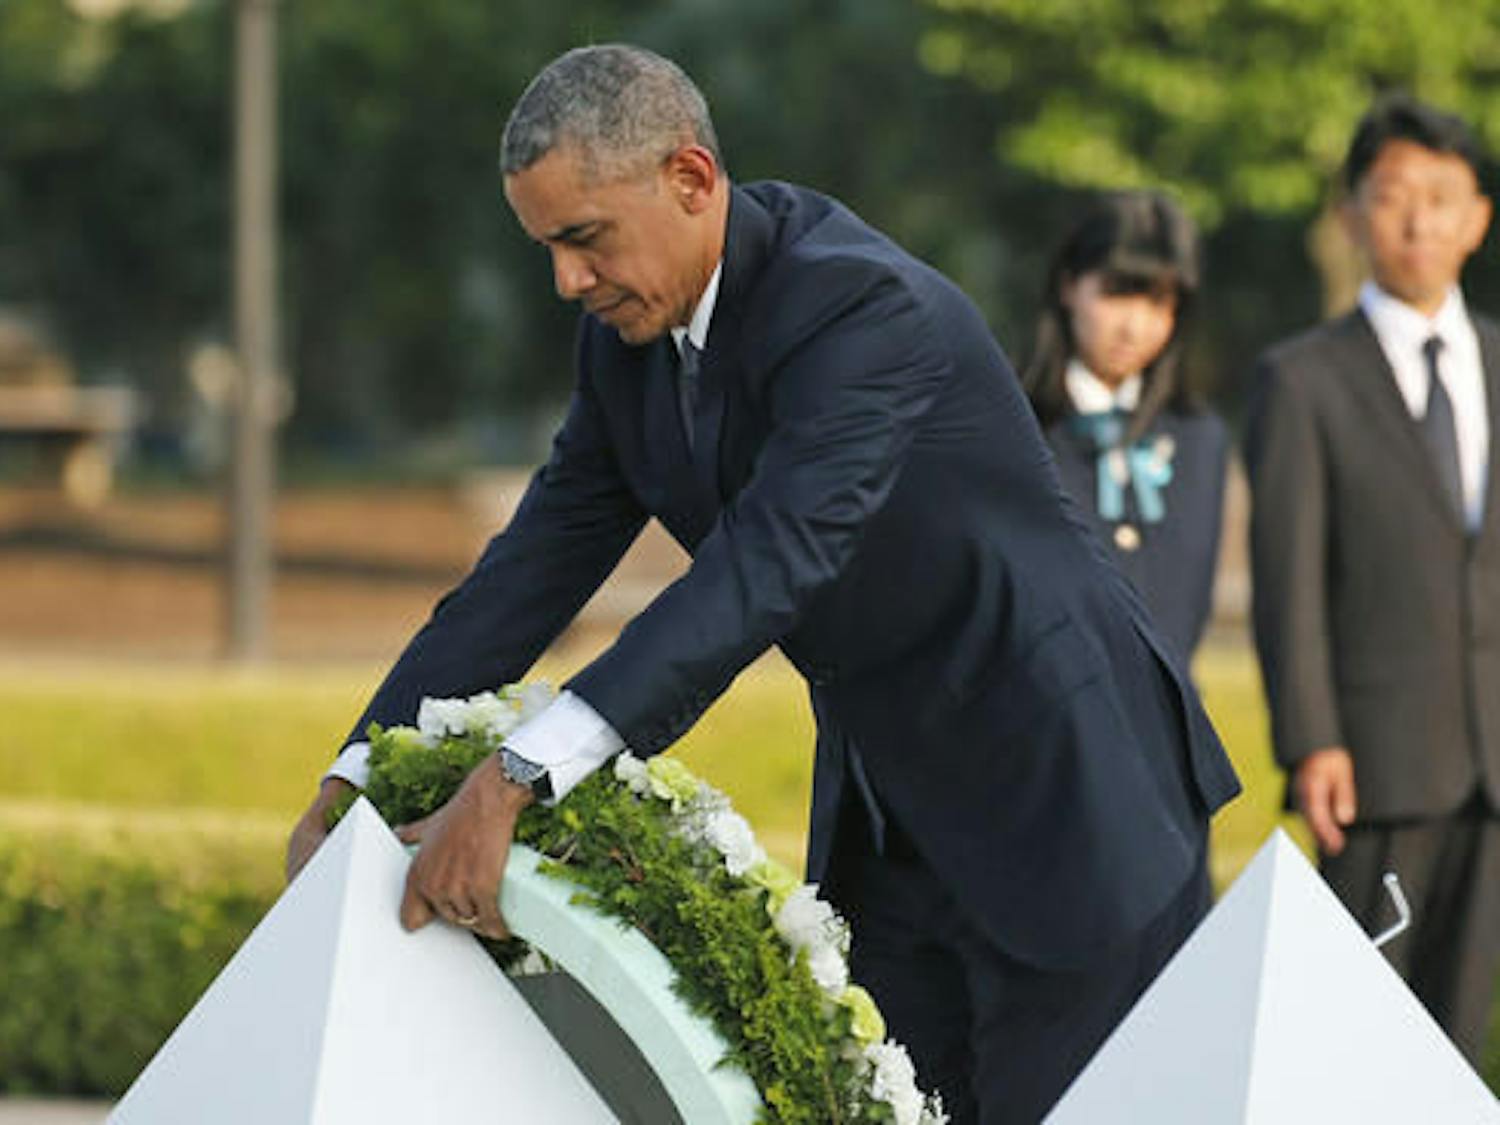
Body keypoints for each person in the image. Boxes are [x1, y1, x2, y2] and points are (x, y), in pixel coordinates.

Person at [286, 45, 1240, 1122]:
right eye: (546, 248)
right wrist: (357, 776)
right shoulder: (625, 344)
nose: (567, 282)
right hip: (893, 818)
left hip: (1069, 791)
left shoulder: (863, 310)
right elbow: (530, 570)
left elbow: (767, 564)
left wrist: (514, 777)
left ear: (690, 179)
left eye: (584, 239)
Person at [1246, 93, 1500, 1062]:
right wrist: (1312, 738)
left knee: (1461, 1033)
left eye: (1442, 197)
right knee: (1363, 1035)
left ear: (1477, 218)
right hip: (1375, 764)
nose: (1417, 219)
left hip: (1494, 765)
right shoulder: (1304, 380)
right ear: (1352, 215)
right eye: (1392, 196)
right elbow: (1287, 577)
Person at [1024, 192, 1227, 663]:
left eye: (1159, 302)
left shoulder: (1199, 439)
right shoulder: (1012, 427)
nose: (1135, 326)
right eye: (1118, 293)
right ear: (1069, 285)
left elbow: (1189, 609)